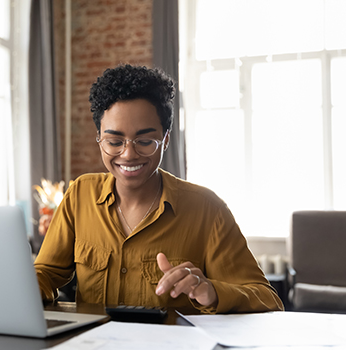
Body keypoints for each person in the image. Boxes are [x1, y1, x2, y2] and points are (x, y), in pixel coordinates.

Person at [34, 64, 283, 314]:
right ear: (99, 138)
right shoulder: (80, 195)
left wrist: (211, 291)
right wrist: (24, 285)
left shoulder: (207, 210)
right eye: (114, 141)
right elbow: (46, 273)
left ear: (165, 140)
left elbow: (268, 299)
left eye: (144, 141)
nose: (128, 154)